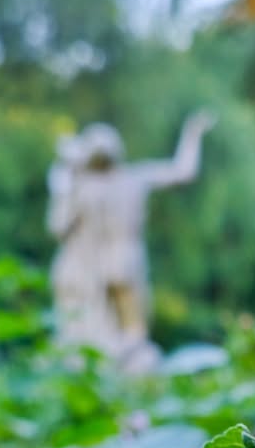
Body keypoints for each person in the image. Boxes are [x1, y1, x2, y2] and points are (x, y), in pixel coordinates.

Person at [47, 112, 216, 363]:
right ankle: (128, 361)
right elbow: (182, 171)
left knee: (117, 331)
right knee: (131, 331)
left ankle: (122, 361)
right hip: (120, 257)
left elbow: (58, 226)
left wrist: (65, 175)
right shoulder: (132, 178)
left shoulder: (86, 186)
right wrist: (192, 134)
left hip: (96, 262)